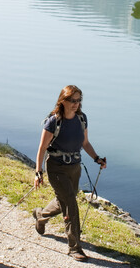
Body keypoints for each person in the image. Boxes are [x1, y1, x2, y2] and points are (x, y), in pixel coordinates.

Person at [32, 85, 106, 262]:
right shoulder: (53, 121)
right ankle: (74, 248)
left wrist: (97, 158)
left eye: (79, 100)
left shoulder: (82, 118)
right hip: (56, 168)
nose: (76, 104)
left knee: (64, 199)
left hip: (75, 167)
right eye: (73, 100)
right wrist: (38, 172)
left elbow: (85, 143)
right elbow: (42, 149)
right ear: (62, 101)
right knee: (71, 205)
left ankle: (40, 216)